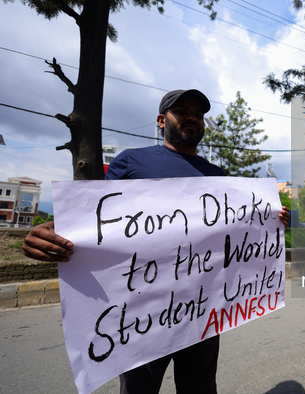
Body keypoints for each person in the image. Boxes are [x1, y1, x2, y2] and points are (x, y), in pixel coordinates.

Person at [22, 89, 290, 394]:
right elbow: (94, 216)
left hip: (203, 306)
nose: (192, 117)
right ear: (162, 121)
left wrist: (271, 222)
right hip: (144, 313)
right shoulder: (132, 161)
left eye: (199, 114)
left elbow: (232, 235)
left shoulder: (217, 175)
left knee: (200, 387)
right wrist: (51, 231)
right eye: (183, 111)